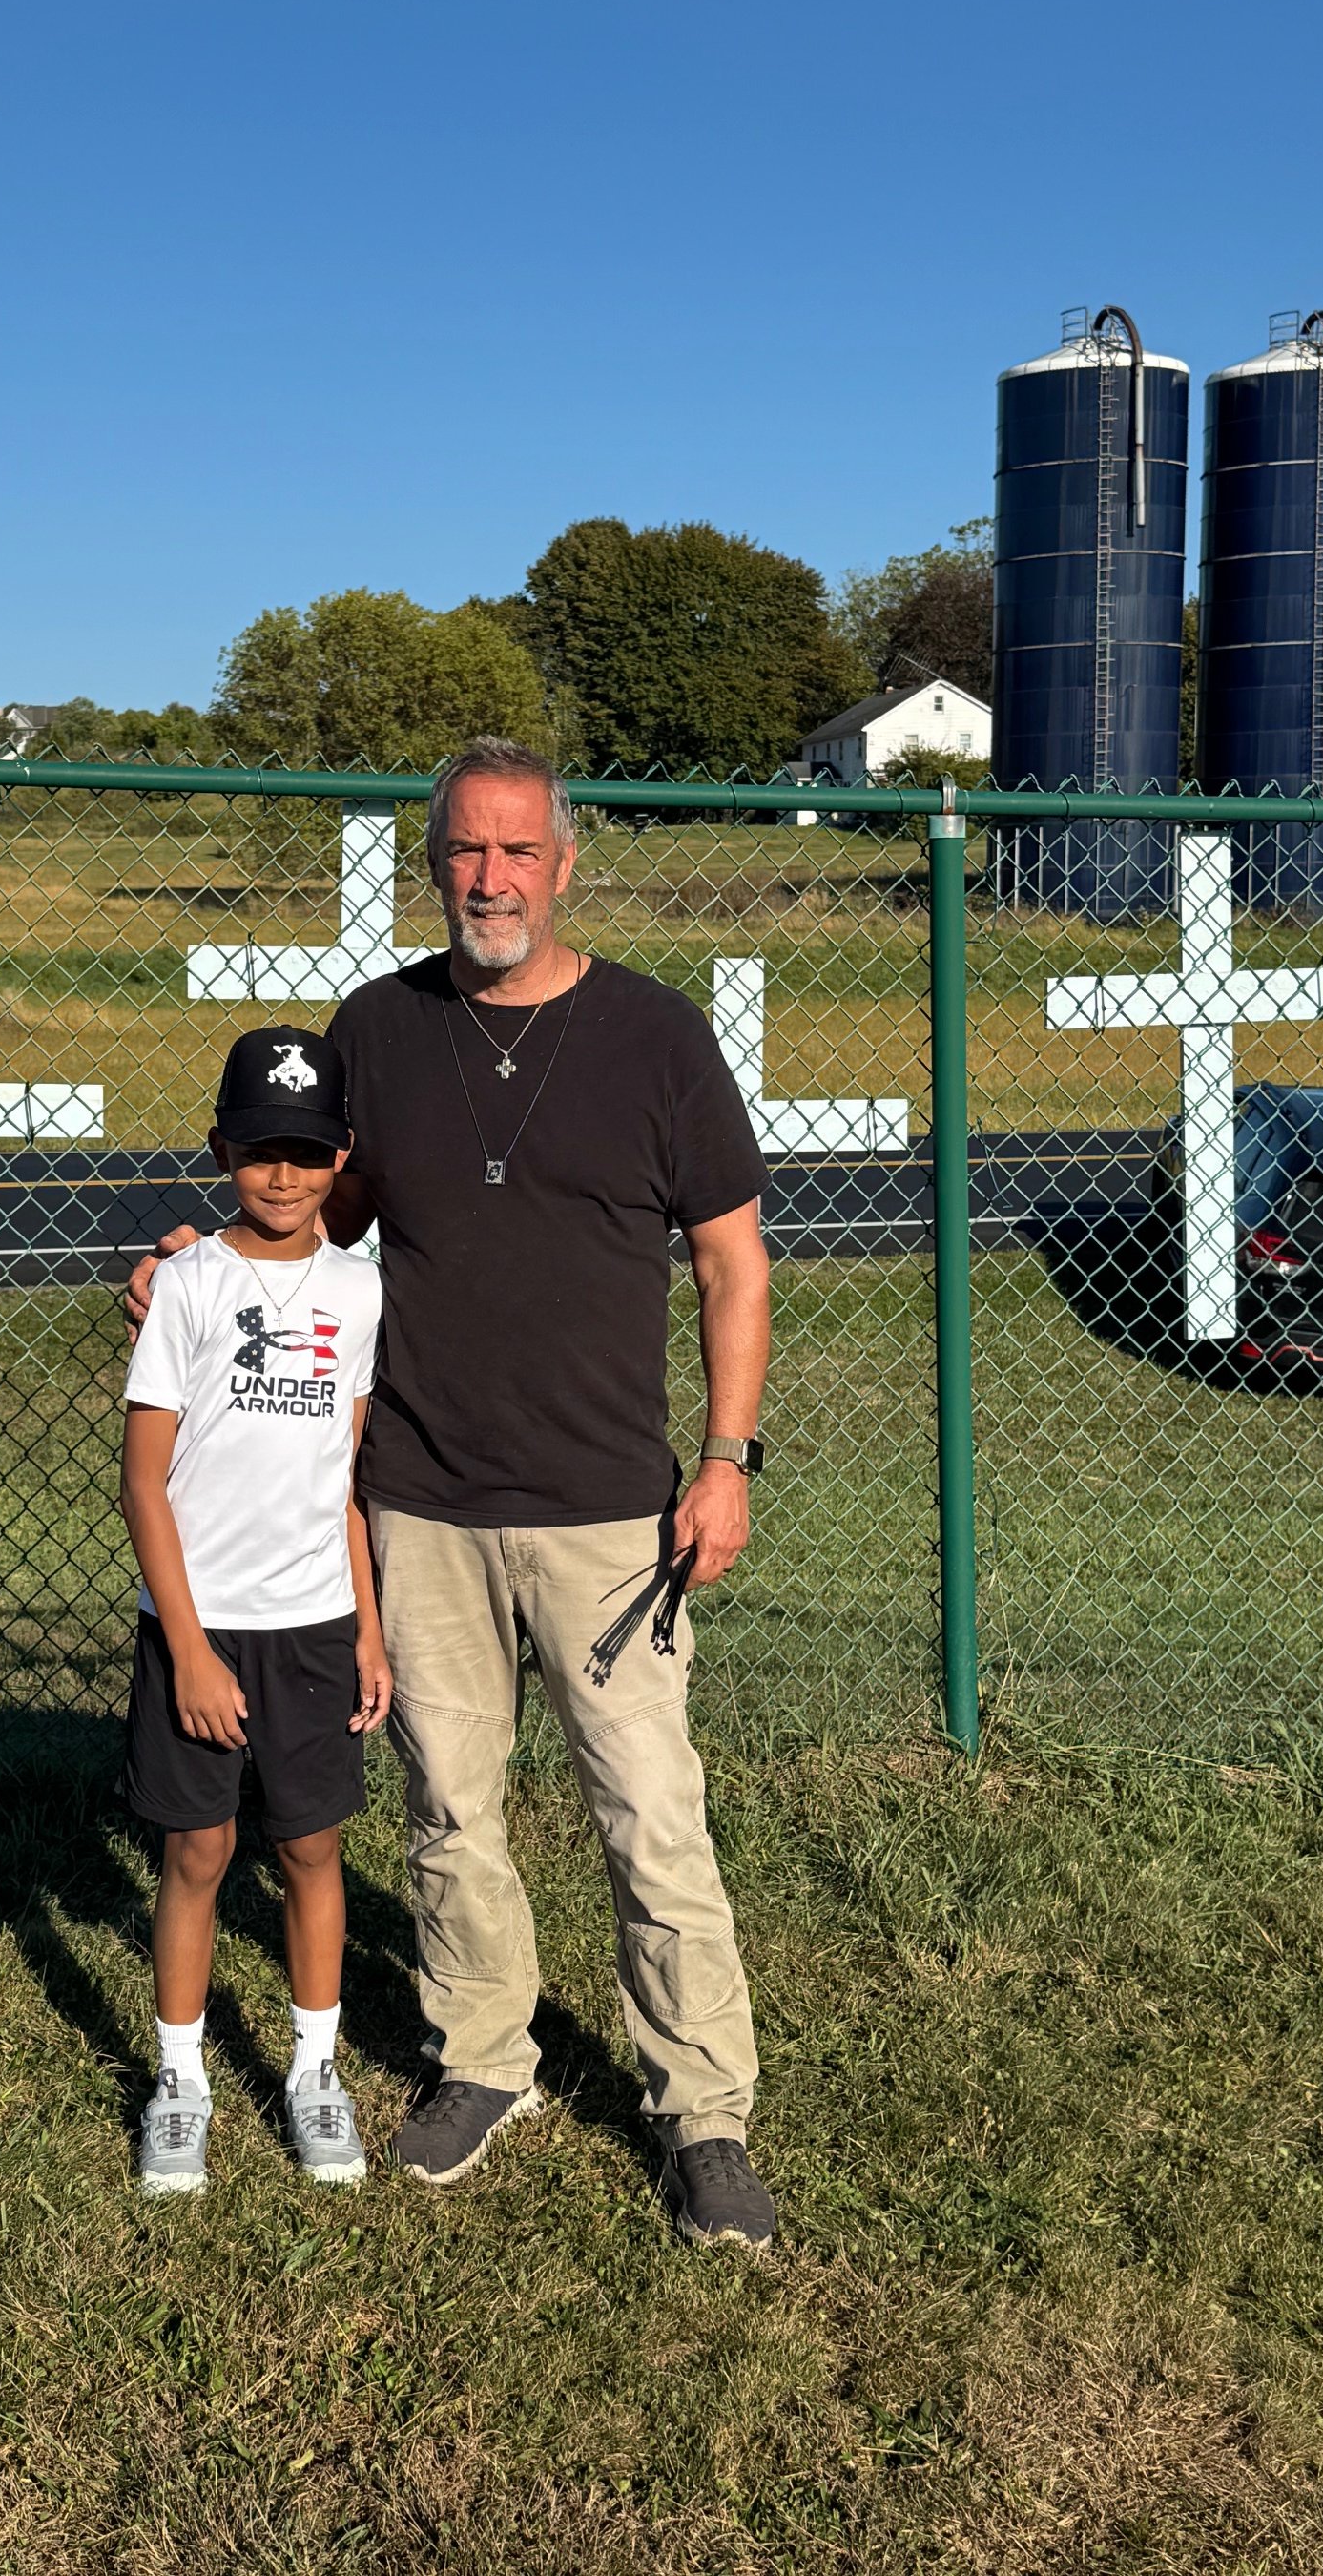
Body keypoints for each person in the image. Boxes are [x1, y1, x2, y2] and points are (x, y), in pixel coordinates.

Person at [130, 740, 776, 2246]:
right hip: (417, 1501)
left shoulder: (654, 1037)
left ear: (565, 866)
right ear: (437, 868)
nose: (489, 880)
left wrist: (727, 1461)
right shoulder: (382, 1026)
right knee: (446, 1809)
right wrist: (195, 1267)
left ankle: (702, 2112)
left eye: (516, 853)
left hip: (611, 1507)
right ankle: (483, 2057)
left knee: (648, 1817)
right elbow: (315, 1211)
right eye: (463, 855)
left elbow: (732, 1259)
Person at [118, 1023, 390, 2196]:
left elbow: (346, 1478)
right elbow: (143, 1479)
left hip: (316, 1627)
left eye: (309, 1152)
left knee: (312, 1848)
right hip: (202, 1628)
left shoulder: (360, 1292)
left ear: (342, 1156)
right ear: (222, 1145)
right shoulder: (185, 1285)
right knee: (198, 1850)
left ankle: (313, 2072)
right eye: (260, 1150)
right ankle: (180, 2080)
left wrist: (368, 1624)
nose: (283, 1177)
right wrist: (186, 1648)